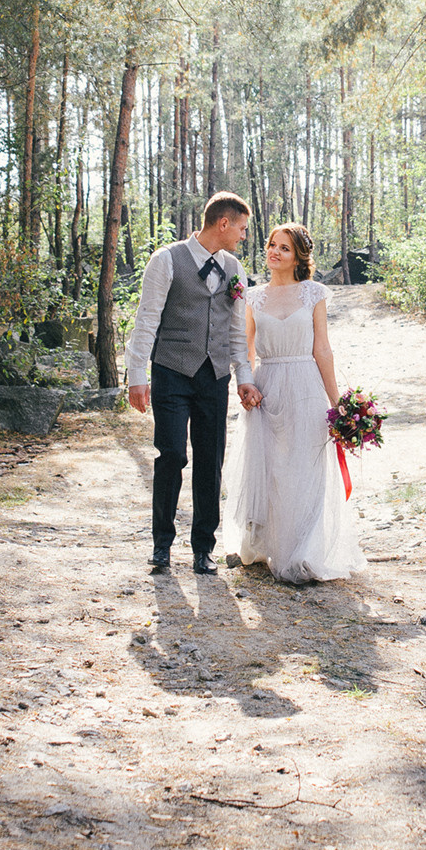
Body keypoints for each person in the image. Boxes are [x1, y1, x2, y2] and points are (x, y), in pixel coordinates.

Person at [125, 192, 263, 576]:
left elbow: (237, 332)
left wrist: (243, 379)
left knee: (210, 461)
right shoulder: (166, 260)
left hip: (214, 377)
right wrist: (137, 376)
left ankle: (204, 548)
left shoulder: (234, 266)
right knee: (171, 454)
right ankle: (161, 545)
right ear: (223, 223)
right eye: (241, 227)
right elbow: (146, 320)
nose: (243, 235)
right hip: (171, 370)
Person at [226, 223, 366, 584]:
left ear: (298, 257)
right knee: (272, 469)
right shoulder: (252, 298)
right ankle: (272, 544)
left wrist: (339, 405)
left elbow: (322, 349)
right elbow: (244, 349)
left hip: (306, 384)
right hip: (268, 386)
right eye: (272, 245)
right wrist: (245, 385)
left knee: (306, 468)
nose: (274, 251)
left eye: (284, 248)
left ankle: (303, 551)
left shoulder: (313, 294)